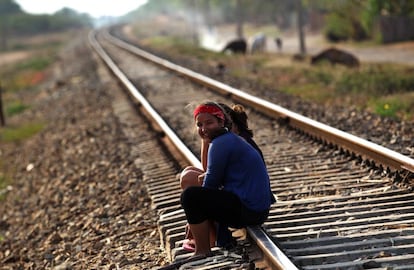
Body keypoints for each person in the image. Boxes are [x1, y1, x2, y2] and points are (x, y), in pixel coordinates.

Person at [180, 102, 274, 257]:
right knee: (197, 191)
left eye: (209, 123)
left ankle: (202, 250)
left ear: (221, 121)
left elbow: (210, 184)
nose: (204, 128)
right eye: (199, 124)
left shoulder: (221, 143)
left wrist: (194, 219)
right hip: (255, 209)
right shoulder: (228, 139)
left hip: (249, 211)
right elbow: (212, 178)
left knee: (190, 196)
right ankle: (207, 242)